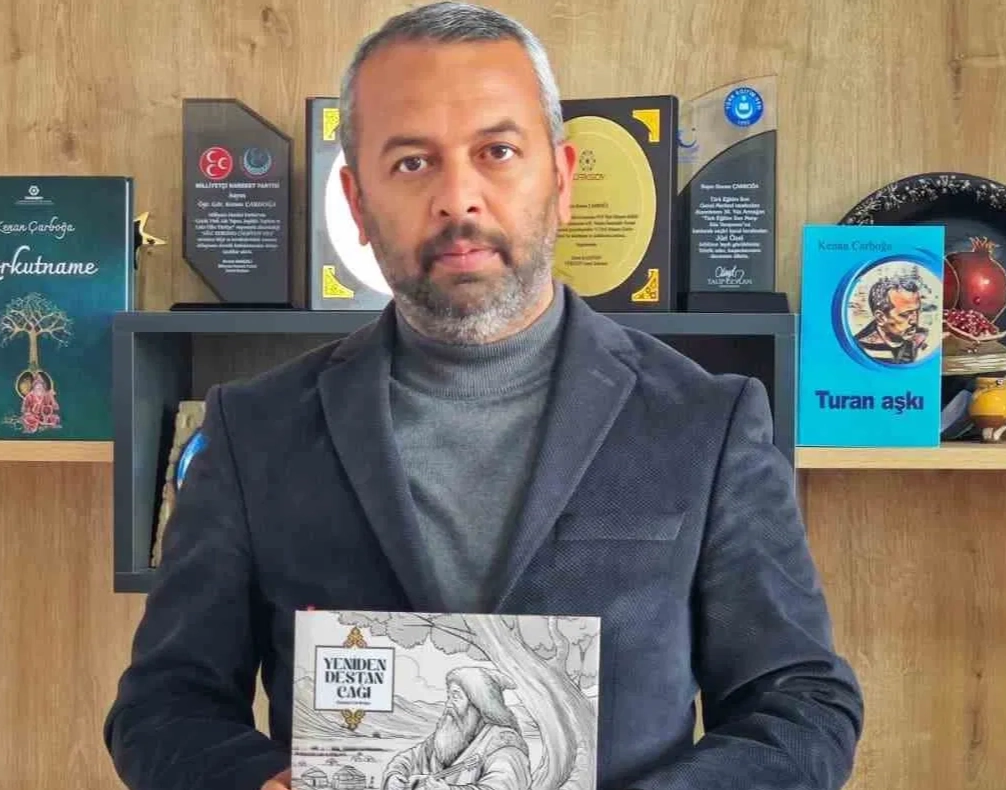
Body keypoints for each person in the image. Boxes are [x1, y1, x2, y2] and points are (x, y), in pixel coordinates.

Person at [103, 3, 865, 790]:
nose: (457, 198)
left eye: (496, 151)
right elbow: (163, 705)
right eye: (411, 163)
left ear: (561, 180)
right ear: (358, 205)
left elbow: (801, 704)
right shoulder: (252, 430)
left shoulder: (706, 421)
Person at [381, 667, 531, 790]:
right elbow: (407, 759)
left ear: (478, 704)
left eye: (456, 696)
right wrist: (395, 776)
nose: (448, 704)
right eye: (449, 696)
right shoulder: (446, 739)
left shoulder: (505, 744)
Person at [852, 273, 929, 363]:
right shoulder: (862, 349)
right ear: (881, 318)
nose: (914, 321)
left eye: (917, 311)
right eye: (905, 314)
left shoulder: (922, 338)